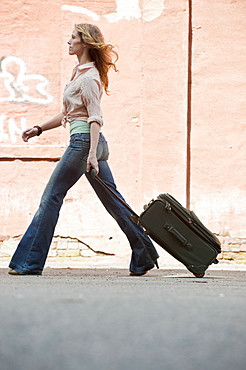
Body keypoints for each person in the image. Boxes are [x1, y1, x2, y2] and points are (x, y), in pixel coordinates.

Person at [8, 23, 159, 276]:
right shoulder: (79, 73)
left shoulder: (89, 78)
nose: (69, 41)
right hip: (90, 144)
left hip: (84, 144)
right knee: (114, 201)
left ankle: (29, 263)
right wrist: (39, 128)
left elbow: (95, 117)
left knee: (51, 198)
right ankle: (143, 254)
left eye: (73, 37)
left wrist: (90, 155)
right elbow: (69, 114)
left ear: (85, 43)